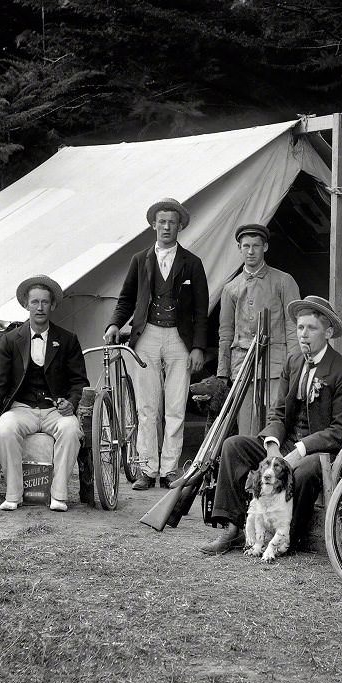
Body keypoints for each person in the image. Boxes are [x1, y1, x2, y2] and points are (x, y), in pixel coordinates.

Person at [198, 295, 342, 555]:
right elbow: (279, 413)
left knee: (304, 471)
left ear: (328, 332)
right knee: (233, 446)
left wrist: (301, 450)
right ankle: (233, 528)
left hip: (325, 455)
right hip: (285, 448)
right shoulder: (293, 362)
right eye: (300, 328)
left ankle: (288, 538)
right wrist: (272, 444)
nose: (303, 335)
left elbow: (341, 431)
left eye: (311, 328)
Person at [103, 198, 209, 490]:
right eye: (161, 221)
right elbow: (125, 298)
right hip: (147, 334)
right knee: (147, 406)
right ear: (153, 224)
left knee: (175, 405)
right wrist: (114, 323)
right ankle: (147, 469)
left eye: (172, 222)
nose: (166, 226)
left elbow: (202, 308)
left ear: (179, 227)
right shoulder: (140, 259)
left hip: (179, 338)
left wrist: (198, 346)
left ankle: (171, 468)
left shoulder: (193, 263)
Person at [0, 276, 89, 512]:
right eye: (35, 302)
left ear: (53, 305)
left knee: (70, 429)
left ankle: (58, 495)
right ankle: (13, 495)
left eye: (45, 302)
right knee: (6, 428)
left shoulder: (68, 340)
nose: (40, 308)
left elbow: (79, 381)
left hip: (54, 410)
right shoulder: (11, 340)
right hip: (22, 407)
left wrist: (71, 403)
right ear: (26, 305)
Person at [217, 223, 300, 435]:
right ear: (239, 248)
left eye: (256, 246)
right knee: (247, 429)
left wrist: (295, 365)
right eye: (246, 246)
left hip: (275, 365)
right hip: (243, 368)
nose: (251, 251)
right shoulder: (230, 288)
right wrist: (222, 372)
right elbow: (225, 333)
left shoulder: (283, 281)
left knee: (276, 424)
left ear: (265, 247)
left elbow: (293, 326)